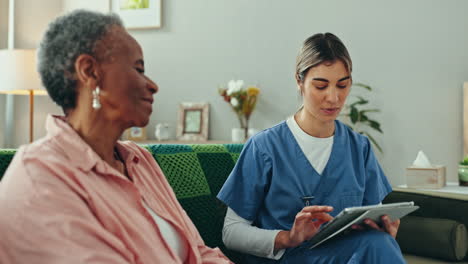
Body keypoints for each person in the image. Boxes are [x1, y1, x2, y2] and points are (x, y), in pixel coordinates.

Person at [0, 10, 231, 264]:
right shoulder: (40, 178)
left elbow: (199, 252)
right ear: (89, 71)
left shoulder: (139, 160)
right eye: (138, 68)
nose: (153, 85)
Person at [217, 33, 406, 263]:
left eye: (342, 85)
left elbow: (370, 223)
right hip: (287, 258)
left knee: (380, 243)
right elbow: (231, 232)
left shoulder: (360, 148)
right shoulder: (264, 147)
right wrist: (289, 237)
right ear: (299, 81)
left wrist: (384, 232)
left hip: (339, 257)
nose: (334, 98)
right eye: (321, 86)